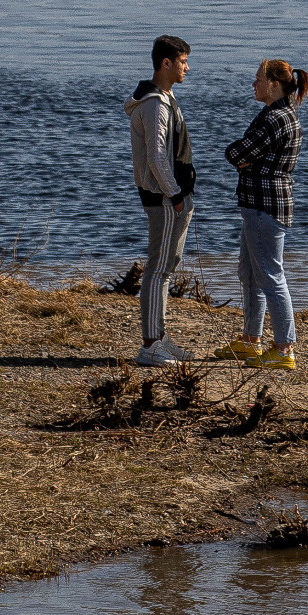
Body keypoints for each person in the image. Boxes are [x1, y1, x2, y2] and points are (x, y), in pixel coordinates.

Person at [223, 59, 308, 369]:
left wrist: (243, 159)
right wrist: (246, 160)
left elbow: (237, 153)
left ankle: (285, 349)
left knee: (271, 277)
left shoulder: (277, 118)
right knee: (249, 274)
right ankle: (251, 342)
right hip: (259, 204)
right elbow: (244, 155)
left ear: (274, 83)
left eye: (258, 78)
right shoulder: (276, 114)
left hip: (266, 205)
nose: (253, 83)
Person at [125, 35, 196, 367]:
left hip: (170, 198)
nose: (187, 67)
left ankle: (160, 336)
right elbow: (156, 157)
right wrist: (176, 194)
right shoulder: (155, 104)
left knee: (166, 267)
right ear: (166, 63)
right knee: (158, 270)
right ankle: (151, 343)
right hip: (165, 199)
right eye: (182, 62)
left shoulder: (164, 99)